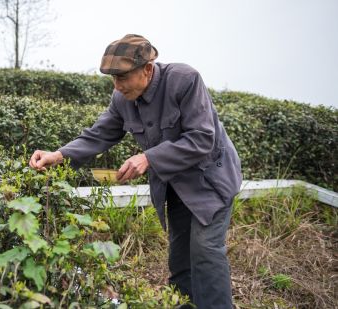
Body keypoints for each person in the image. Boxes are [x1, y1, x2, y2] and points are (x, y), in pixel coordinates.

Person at [29, 34, 242, 309]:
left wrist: (149, 158)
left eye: (122, 77)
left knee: (205, 251)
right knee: (180, 258)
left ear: (147, 70)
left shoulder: (184, 80)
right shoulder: (122, 98)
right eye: (113, 79)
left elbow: (202, 138)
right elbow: (99, 134)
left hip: (211, 181)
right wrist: (58, 155)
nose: (117, 87)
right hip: (175, 186)